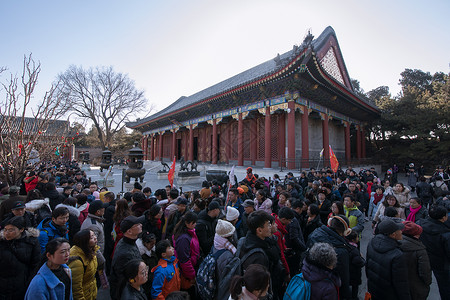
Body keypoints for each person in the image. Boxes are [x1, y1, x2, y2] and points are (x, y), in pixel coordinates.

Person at [307, 215, 353, 299]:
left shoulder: (314, 234)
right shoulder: (341, 251)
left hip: (310, 283)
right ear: (345, 231)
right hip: (329, 289)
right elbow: (344, 279)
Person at [366, 219, 411, 300]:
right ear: (393, 234)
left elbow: (367, 268)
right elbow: (400, 283)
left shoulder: (372, 242)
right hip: (389, 294)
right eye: (399, 230)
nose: (401, 232)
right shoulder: (397, 255)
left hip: (373, 288)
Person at [0, 216, 40, 299]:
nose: (7, 233)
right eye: (5, 230)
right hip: (3, 285)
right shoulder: (2, 242)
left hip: (22, 285)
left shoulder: (31, 242)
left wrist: (29, 283)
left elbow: (35, 264)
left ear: (21, 229)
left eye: (11, 230)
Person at [416, 205, 450, 300]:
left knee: (420, 282)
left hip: (423, 257)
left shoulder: (420, 223)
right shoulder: (445, 234)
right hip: (441, 263)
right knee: (445, 286)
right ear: (444, 218)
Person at [110, 215, 143, 300]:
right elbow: (123, 279)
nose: (141, 225)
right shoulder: (124, 253)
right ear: (129, 231)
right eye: (137, 225)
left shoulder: (129, 241)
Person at [399, 221, 432, 300]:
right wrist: (427, 282)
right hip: (414, 286)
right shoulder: (419, 250)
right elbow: (425, 272)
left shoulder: (394, 242)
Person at [172, 211, 200, 291]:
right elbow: (184, 261)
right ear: (188, 223)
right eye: (194, 223)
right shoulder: (183, 239)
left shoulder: (187, 233)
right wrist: (191, 276)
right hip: (186, 274)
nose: (195, 225)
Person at [68, 230, 99, 300]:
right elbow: (76, 288)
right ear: (84, 242)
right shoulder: (77, 261)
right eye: (91, 237)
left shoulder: (91, 251)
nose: (95, 238)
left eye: (94, 235)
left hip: (91, 292)